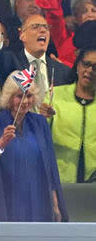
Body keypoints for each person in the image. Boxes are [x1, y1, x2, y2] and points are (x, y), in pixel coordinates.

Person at [0, 74, 68, 222]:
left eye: (29, 96)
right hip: (5, 194)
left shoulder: (40, 123)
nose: (25, 101)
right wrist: (1, 142)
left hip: (37, 194)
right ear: (9, 98)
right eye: (19, 96)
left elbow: (50, 166)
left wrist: (55, 204)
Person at [46, 47, 96, 183]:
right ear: (78, 65)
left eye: (95, 67)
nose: (90, 70)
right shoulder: (54, 96)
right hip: (60, 181)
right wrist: (42, 117)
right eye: (86, 64)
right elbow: (38, 135)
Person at [0, 13, 70, 96]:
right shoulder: (11, 61)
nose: (43, 30)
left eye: (46, 27)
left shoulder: (62, 70)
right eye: (35, 27)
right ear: (22, 36)